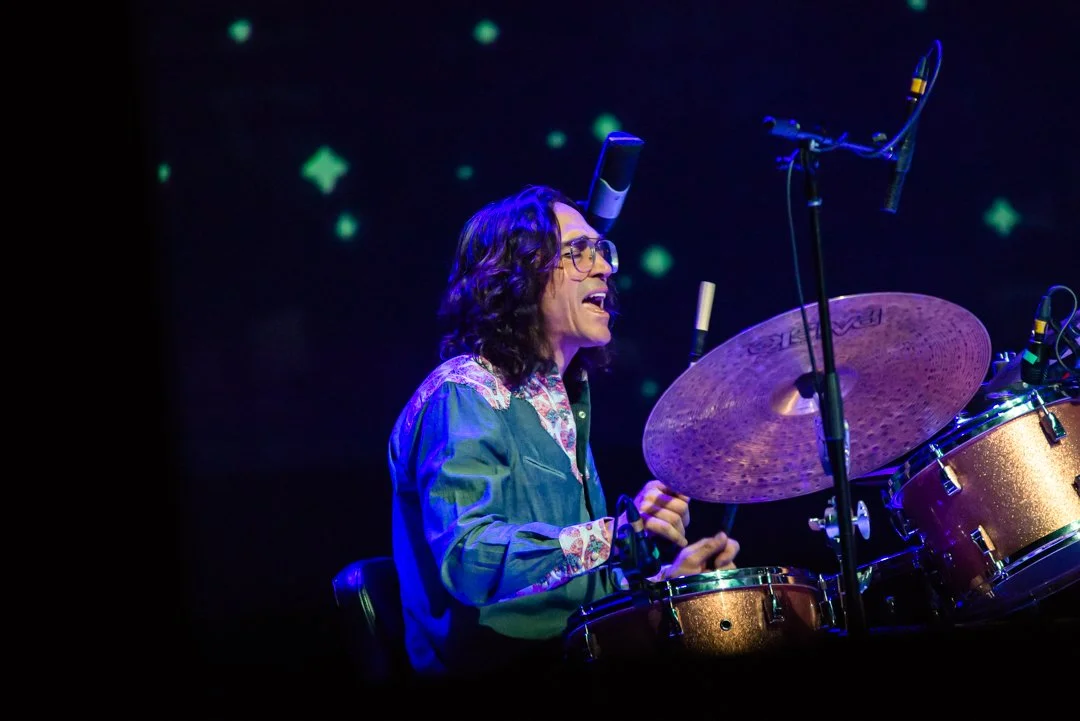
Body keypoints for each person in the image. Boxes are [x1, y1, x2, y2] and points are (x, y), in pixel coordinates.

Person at [387, 184, 741, 681]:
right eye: (578, 251)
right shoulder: (464, 393)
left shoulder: (565, 400)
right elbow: (469, 558)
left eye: (602, 250)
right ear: (517, 274)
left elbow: (575, 594)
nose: (605, 268)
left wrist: (669, 584)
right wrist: (613, 535)